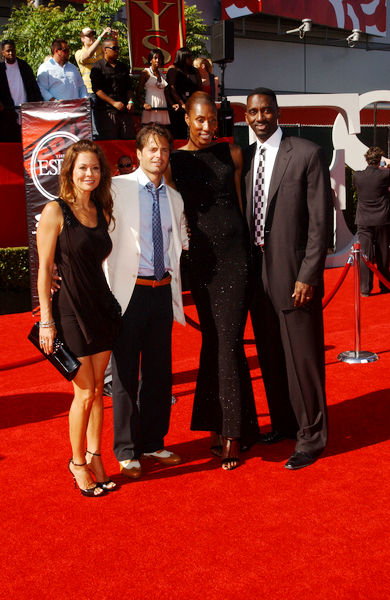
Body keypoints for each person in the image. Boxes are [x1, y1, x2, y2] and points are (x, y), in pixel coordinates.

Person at [167, 92, 260, 470]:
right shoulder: (174, 162)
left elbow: (242, 204)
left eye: (213, 121)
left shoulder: (233, 153)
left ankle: (232, 434)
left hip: (236, 258)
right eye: (200, 120)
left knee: (228, 340)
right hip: (202, 263)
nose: (208, 128)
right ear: (187, 118)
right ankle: (219, 424)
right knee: (215, 342)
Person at [243, 87, 333, 470]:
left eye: (265, 110)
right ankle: (283, 423)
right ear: (246, 117)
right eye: (252, 112)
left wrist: (308, 275)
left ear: (277, 112)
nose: (259, 117)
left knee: (304, 360)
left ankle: (311, 437)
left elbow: (320, 222)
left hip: (295, 275)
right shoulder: (246, 159)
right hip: (257, 276)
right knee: (271, 356)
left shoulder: (307, 153)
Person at [36, 139, 121, 496]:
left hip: (100, 307)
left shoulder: (100, 210)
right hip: (69, 311)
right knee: (84, 392)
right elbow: (43, 269)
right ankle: (77, 463)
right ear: (70, 172)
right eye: (83, 167)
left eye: (95, 168)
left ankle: (96, 454)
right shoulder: (56, 211)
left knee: (100, 390)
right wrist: (46, 320)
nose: (90, 174)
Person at [104, 124, 188, 480]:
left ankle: (153, 441)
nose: (159, 156)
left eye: (164, 150)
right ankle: (125, 448)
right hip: (128, 294)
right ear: (138, 153)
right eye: (151, 149)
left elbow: (181, 244)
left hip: (161, 292)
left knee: (158, 373)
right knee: (123, 374)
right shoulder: (116, 189)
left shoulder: (175, 197)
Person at [352, 146, 390, 296]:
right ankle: (385, 285)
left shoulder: (357, 175)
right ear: (379, 159)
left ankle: (365, 289)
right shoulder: (385, 175)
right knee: (383, 255)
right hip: (382, 219)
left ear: (366, 159)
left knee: (365, 256)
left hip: (364, 220)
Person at [90, 38, 135, 140]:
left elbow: (129, 86)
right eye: (114, 48)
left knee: (128, 141)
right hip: (106, 112)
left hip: (124, 111)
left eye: (118, 48)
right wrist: (114, 103)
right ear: (105, 50)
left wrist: (131, 101)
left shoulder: (122, 66)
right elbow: (97, 90)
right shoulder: (97, 67)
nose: (117, 51)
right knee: (111, 143)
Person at [0, 39, 42, 142]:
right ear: (3, 52)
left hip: (26, 112)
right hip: (8, 113)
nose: (11, 53)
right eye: (8, 51)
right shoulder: (0, 69)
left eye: (13, 50)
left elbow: (34, 87)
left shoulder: (24, 66)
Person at [74, 26, 112, 137]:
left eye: (92, 34)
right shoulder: (79, 53)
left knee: (107, 126)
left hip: (105, 91)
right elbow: (87, 55)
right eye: (88, 35)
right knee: (95, 129)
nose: (91, 37)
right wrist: (100, 37)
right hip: (90, 92)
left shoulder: (100, 48)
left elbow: (112, 55)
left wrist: (114, 38)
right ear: (82, 39)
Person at [166, 47, 202, 139]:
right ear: (182, 57)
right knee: (178, 134)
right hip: (178, 107)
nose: (191, 59)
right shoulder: (173, 69)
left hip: (192, 106)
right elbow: (171, 88)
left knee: (193, 132)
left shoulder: (195, 71)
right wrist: (181, 103)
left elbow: (199, 88)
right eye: (189, 57)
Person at [137, 49, 174, 126]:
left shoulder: (162, 74)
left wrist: (172, 104)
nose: (158, 60)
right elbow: (138, 92)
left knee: (162, 131)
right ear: (150, 60)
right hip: (150, 105)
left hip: (162, 105)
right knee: (150, 130)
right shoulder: (145, 73)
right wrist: (144, 104)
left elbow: (166, 93)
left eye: (160, 58)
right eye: (155, 58)